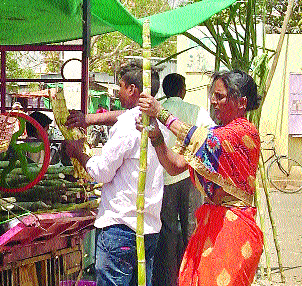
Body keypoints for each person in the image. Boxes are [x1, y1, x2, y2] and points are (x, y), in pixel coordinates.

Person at [137, 70, 263, 286]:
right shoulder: (217, 134)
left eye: (220, 96)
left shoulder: (243, 132)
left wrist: (161, 112)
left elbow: (203, 139)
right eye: (213, 95)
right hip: (210, 225)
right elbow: (175, 166)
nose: (213, 102)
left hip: (232, 229)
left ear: (241, 102)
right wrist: (156, 137)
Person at [64, 61, 165, 286]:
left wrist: (80, 152)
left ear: (131, 89)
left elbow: (101, 172)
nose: (118, 93)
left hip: (121, 227)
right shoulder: (161, 122)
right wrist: (90, 119)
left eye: (120, 87)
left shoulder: (129, 125)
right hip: (148, 227)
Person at [152, 73, 215, 286]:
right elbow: (210, 133)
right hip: (188, 175)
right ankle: (193, 276)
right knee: (191, 228)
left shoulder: (156, 109)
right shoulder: (195, 110)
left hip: (163, 177)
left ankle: (170, 280)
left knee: (168, 230)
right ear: (182, 90)